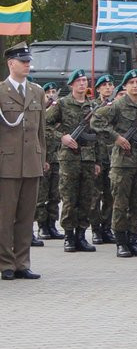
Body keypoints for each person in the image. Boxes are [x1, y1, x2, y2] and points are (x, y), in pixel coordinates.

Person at [92, 69, 137, 258]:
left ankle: (133, 239)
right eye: (132, 83)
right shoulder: (118, 105)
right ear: (126, 86)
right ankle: (121, 241)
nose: (136, 86)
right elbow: (97, 120)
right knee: (121, 203)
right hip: (123, 161)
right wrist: (116, 137)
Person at [0, 42, 46, 281]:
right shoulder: (1, 91)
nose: (28, 65)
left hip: (31, 163)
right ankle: (6, 263)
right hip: (6, 165)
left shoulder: (37, 92)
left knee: (27, 217)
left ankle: (22, 263)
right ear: (11, 64)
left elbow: (41, 131)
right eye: (23, 61)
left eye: (28, 61)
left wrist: (42, 159)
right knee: (5, 218)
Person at [48, 69, 100, 253]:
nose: (82, 84)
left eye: (84, 80)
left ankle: (81, 235)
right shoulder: (62, 104)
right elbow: (46, 124)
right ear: (71, 85)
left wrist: (97, 161)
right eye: (78, 81)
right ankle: (69, 236)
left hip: (88, 158)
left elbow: (97, 135)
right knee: (69, 198)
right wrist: (62, 137)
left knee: (86, 198)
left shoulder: (92, 106)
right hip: (69, 158)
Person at [89, 74, 116, 245]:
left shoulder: (117, 106)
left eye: (110, 84)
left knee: (110, 195)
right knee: (95, 195)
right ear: (98, 89)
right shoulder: (93, 106)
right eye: (104, 85)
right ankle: (96, 229)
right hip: (98, 154)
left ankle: (107, 228)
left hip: (114, 155)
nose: (108, 87)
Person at [36, 81, 64, 241]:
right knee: (42, 195)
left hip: (57, 158)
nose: (52, 95)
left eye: (54, 92)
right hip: (45, 158)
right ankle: (41, 226)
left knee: (55, 195)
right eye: (49, 93)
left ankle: (52, 225)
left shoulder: (57, 112)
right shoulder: (42, 114)